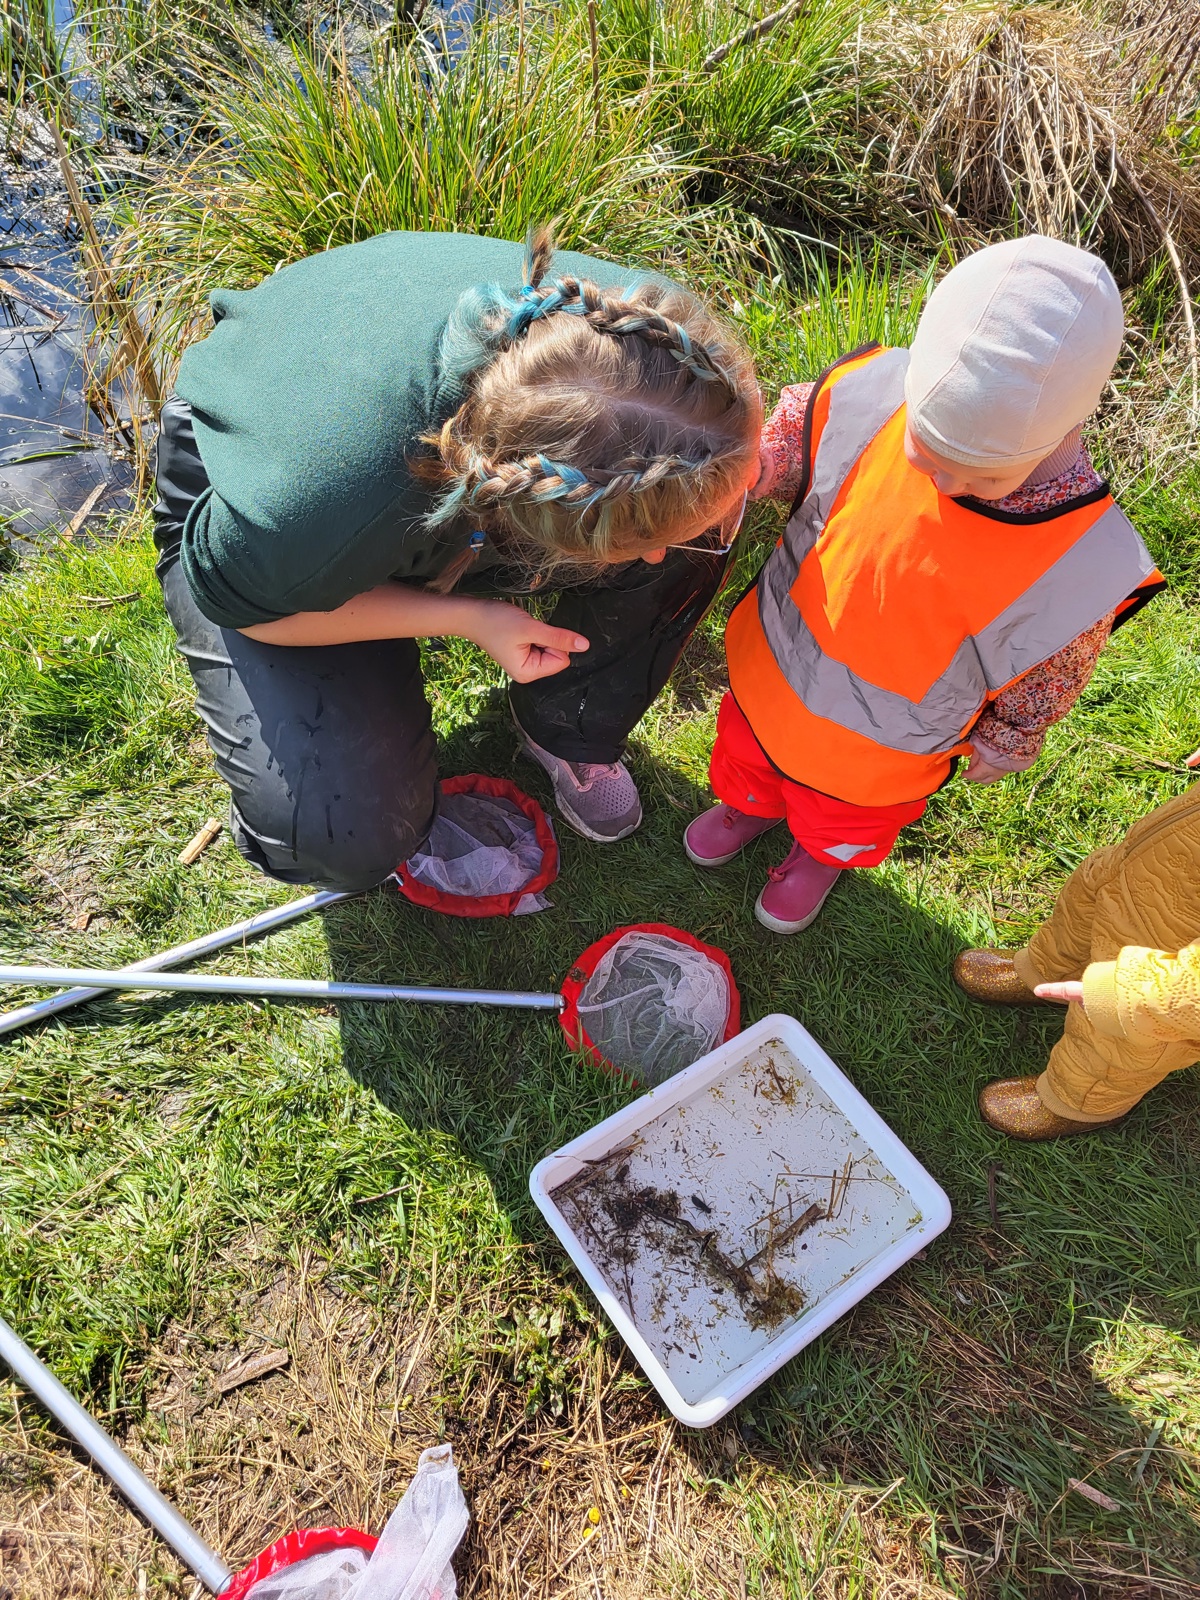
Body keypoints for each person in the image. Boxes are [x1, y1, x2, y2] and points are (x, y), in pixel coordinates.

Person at [153, 228, 763, 891]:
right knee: (337, 832)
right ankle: (321, 800)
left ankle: (565, 727)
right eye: (636, 542)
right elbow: (256, 612)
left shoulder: (677, 361)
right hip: (257, 475)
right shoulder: (319, 506)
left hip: (411, 455)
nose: (655, 557)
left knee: (702, 525)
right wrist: (471, 618)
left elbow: (702, 480)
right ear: (543, 516)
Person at [684, 235, 1164, 933]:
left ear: (1067, 426)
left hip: (884, 753)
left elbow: (1054, 667)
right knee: (746, 757)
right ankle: (747, 806)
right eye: (926, 454)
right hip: (771, 676)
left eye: (982, 477)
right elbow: (791, 434)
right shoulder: (869, 391)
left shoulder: (1083, 555)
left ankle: (819, 856)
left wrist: (1015, 736)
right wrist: (750, 468)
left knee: (841, 817)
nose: (944, 483)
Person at [954, 768, 1200, 1138]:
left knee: (1124, 1036)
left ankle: (1079, 1100)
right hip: (1162, 862)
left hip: (1174, 970)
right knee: (1090, 898)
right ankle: (1047, 971)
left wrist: (1145, 996)